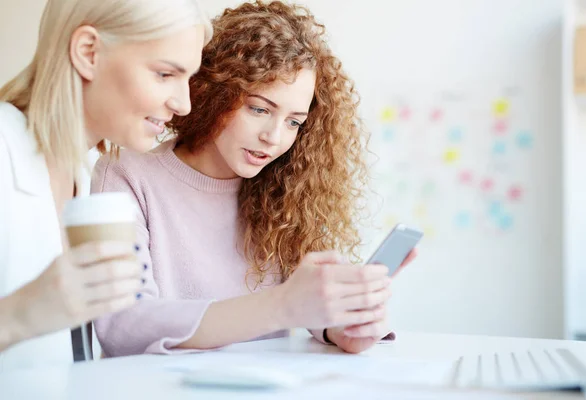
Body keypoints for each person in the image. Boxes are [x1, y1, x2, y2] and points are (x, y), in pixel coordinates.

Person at [92, 0, 416, 357]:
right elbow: (122, 325)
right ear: (214, 92)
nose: (274, 137)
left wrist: (342, 325)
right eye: (260, 109)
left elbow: (307, 304)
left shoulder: (285, 187)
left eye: (294, 121)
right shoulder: (127, 174)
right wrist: (282, 305)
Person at [0, 0, 212, 372]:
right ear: (88, 53)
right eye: (165, 74)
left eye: (187, 80)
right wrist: (20, 315)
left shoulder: (82, 174)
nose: (184, 104)